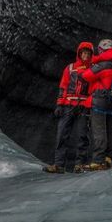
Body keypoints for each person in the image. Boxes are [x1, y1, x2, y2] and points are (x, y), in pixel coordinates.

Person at [43, 42, 94, 174]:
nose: (86, 55)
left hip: (84, 107)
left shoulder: (94, 69)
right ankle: (59, 165)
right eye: (84, 53)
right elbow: (63, 86)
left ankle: (80, 165)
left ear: (91, 55)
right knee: (62, 135)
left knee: (83, 136)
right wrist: (59, 104)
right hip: (68, 105)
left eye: (88, 53)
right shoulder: (70, 68)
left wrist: (90, 104)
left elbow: (95, 89)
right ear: (79, 53)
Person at [81, 38, 112, 171]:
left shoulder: (103, 64)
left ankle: (98, 160)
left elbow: (86, 76)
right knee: (109, 130)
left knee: (99, 130)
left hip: (100, 100)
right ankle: (109, 158)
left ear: (101, 50)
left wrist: (93, 62)